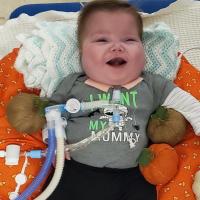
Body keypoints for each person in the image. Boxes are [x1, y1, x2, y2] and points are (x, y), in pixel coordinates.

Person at [6, 0, 200, 199]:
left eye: (129, 39)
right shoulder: (73, 83)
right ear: (82, 54)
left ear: (143, 51)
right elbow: (52, 115)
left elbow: (191, 106)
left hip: (131, 177)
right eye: (102, 40)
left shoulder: (152, 85)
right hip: (75, 171)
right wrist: (57, 142)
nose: (117, 47)